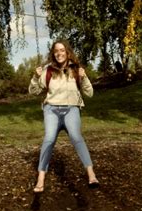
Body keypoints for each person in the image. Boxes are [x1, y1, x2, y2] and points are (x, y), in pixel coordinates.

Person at [28, 39, 99, 193]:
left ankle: (91, 174)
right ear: (53, 54)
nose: (59, 53)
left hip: (71, 109)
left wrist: (84, 77)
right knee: (49, 139)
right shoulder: (47, 71)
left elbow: (90, 93)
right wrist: (35, 77)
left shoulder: (76, 70)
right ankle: (40, 179)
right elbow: (33, 91)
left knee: (76, 136)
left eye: (62, 50)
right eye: (56, 51)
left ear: (67, 53)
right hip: (51, 110)